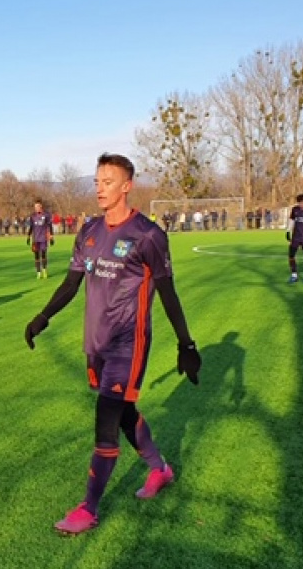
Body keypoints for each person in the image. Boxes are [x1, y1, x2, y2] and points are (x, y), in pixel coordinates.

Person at [24, 153, 201, 535]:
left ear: (127, 185)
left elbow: (169, 295)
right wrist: (43, 317)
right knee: (124, 414)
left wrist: (186, 345)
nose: (100, 188)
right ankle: (161, 470)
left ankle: (88, 509)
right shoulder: (88, 231)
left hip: (128, 344)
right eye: (97, 181)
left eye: (108, 181)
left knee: (106, 419)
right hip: (96, 344)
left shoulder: (149, 235)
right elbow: (71, 284)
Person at [26, 198, 54, 279]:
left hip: (43, 238)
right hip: (35, 239)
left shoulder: (46, 215)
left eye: (38, 206)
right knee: (36, 256)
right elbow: (31, 227)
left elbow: (49, 226)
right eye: (35, 207)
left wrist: (51, 236)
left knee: (43, 255)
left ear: (41, 206)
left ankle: (44, 270)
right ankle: (38, 272)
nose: (36, 208)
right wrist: (28, 236)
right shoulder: (32, 216)